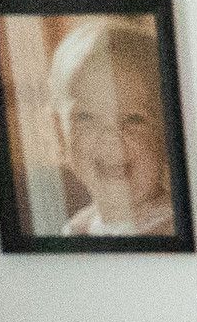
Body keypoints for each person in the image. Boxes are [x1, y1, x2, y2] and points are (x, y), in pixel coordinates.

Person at [47, 17, 174, 238]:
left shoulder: (171, 228)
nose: (111, 138)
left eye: (133, 119)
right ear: (60, 135)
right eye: (86, 117)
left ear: (166, 134)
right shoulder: (78, 228)